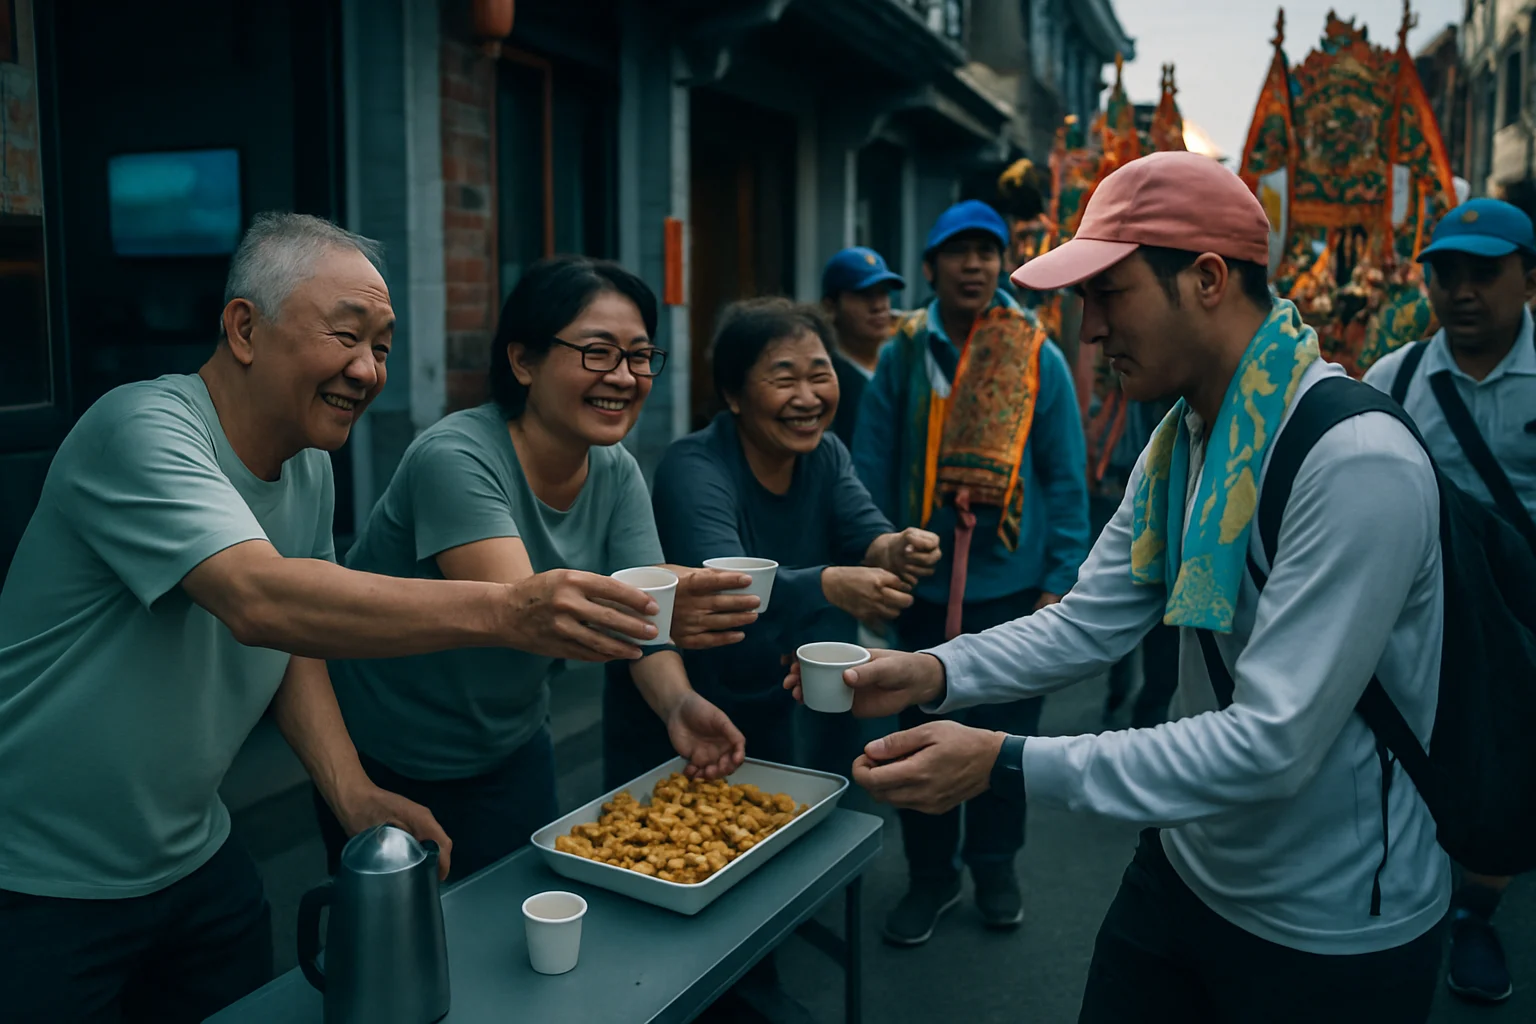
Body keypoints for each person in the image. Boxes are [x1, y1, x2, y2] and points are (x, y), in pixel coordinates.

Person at [795, 152, 1451, 1021]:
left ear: (1208, 279)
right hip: (1184, 867)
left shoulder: (1355, 462)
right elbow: (1089, 622)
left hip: (1327, 918)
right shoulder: (1182, 438)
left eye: (1110, 293)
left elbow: (1269, 744)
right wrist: (929, 674)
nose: (1091, 329)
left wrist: (1005, 762)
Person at [0, 214, 669, 1022]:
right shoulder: (141, 428)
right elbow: (259, 599)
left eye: (383, 347)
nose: (368, 369)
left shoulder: (310, 467)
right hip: (41, 879)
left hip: (199, 855)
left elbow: (298, 636)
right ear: (244, 328)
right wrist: (509, 608)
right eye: (347, 336)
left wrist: (350, 790)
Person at [324, 255, 753, 883]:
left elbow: (645, 623)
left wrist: (679, 703)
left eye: (640, 356)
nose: (625, 376)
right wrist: (660, 607)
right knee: (401, 951)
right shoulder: (457, 457)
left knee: (517, 930)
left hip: (512, 742)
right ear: (523, 361)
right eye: (599, 352)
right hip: (387, 753)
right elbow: (527, 613)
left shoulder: (616, 468)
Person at [853, 199, 1090, 945]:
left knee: (1005, 741)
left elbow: (1062, 473)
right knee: (917, 737)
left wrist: (1060, 577)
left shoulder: (1034, 352)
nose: (975, 265)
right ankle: (931, 875)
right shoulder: (904, 350)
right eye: (959, 251)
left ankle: (994, 863)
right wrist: (883, 548)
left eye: (988, 252)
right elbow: (871, 463)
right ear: (931, 267)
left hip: (1013, 588)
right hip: (924, 589)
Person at [604, 298, 939, 785]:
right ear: (734, 394)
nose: (807, 398)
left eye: (819, 375)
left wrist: (894, 548)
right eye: (784, 380)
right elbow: (725, 587)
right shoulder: (693, 467)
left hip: (788, 695)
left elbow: (862, 528)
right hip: (691, 707)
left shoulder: (825, 452)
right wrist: (828, 585)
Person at [1363, 197, 1536, 1006]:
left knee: (1508, 776)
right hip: (1420, 632)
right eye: (1446, 273)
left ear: (1529, 279)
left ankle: (1473, 912)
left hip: (1524, 623)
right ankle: (1407, 905)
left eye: (1485, 272)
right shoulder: (1389, 382)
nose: (1462, 290)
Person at [820, 246, 906, 448]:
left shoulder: (900, 365)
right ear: (831, 306)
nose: (879, 306)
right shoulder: (827, 379)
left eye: (884, 293)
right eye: (864, 295)